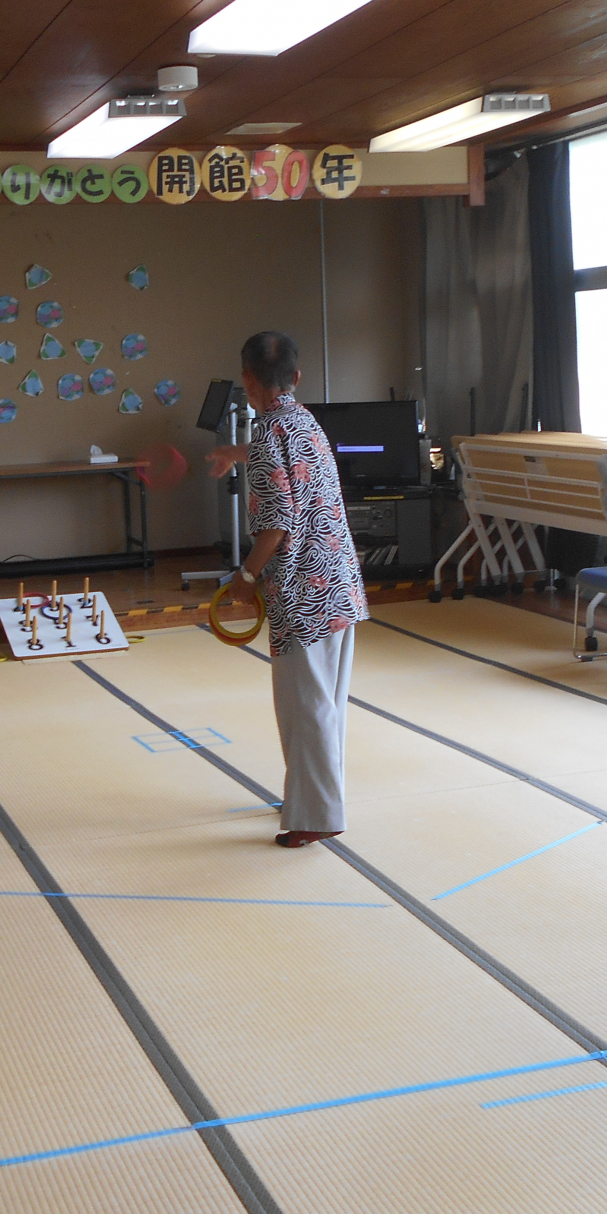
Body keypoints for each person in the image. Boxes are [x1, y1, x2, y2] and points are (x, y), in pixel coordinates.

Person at [206, 332, 368, 847]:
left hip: (303, 592)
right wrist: (236, 453)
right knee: (325, 703)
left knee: (305, 707)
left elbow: (276, 523)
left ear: (247, 381)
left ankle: (317, 816)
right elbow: (276, 456)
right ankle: (316, 800)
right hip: (338, 582)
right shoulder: (303, 421)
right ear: (296, 377)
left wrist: (245, 578)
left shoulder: (268, 431)